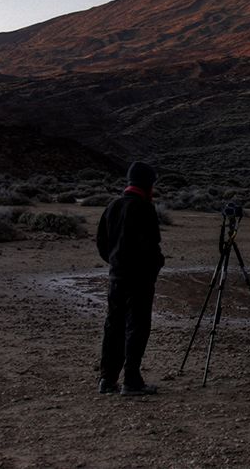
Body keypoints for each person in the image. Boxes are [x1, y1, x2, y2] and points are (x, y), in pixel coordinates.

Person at [96, 161, 165, 396]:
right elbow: (151, 245)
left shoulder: (113, 206)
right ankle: (131, 380)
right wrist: (156, 265)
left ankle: (107, 380)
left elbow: (102, 244)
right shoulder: (144, 208)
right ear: (147, 184)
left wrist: (116, 263)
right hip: (139, 279)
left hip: (116, 277)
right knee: (137, 326)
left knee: (113, 326)